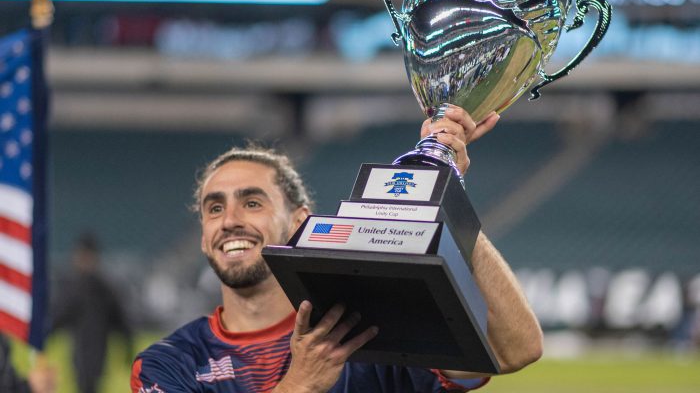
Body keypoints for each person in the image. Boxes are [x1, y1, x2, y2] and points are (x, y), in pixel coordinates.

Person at [131, 106, 543, 392]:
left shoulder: (368, 329)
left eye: (252, 202)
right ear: (203, 235)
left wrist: (445, 193)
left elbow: (516, 349)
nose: (230, 220)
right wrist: (300, 384)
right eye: (214, 208)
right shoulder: (168, 363)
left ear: (298, 221)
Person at [51, 233, 132, 393]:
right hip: (80, 349)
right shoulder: (74, 286)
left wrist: (128, 345)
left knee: (90, 385)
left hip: (97, 350)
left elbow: (120, 320)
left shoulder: (102, 288)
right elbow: (59, 315)